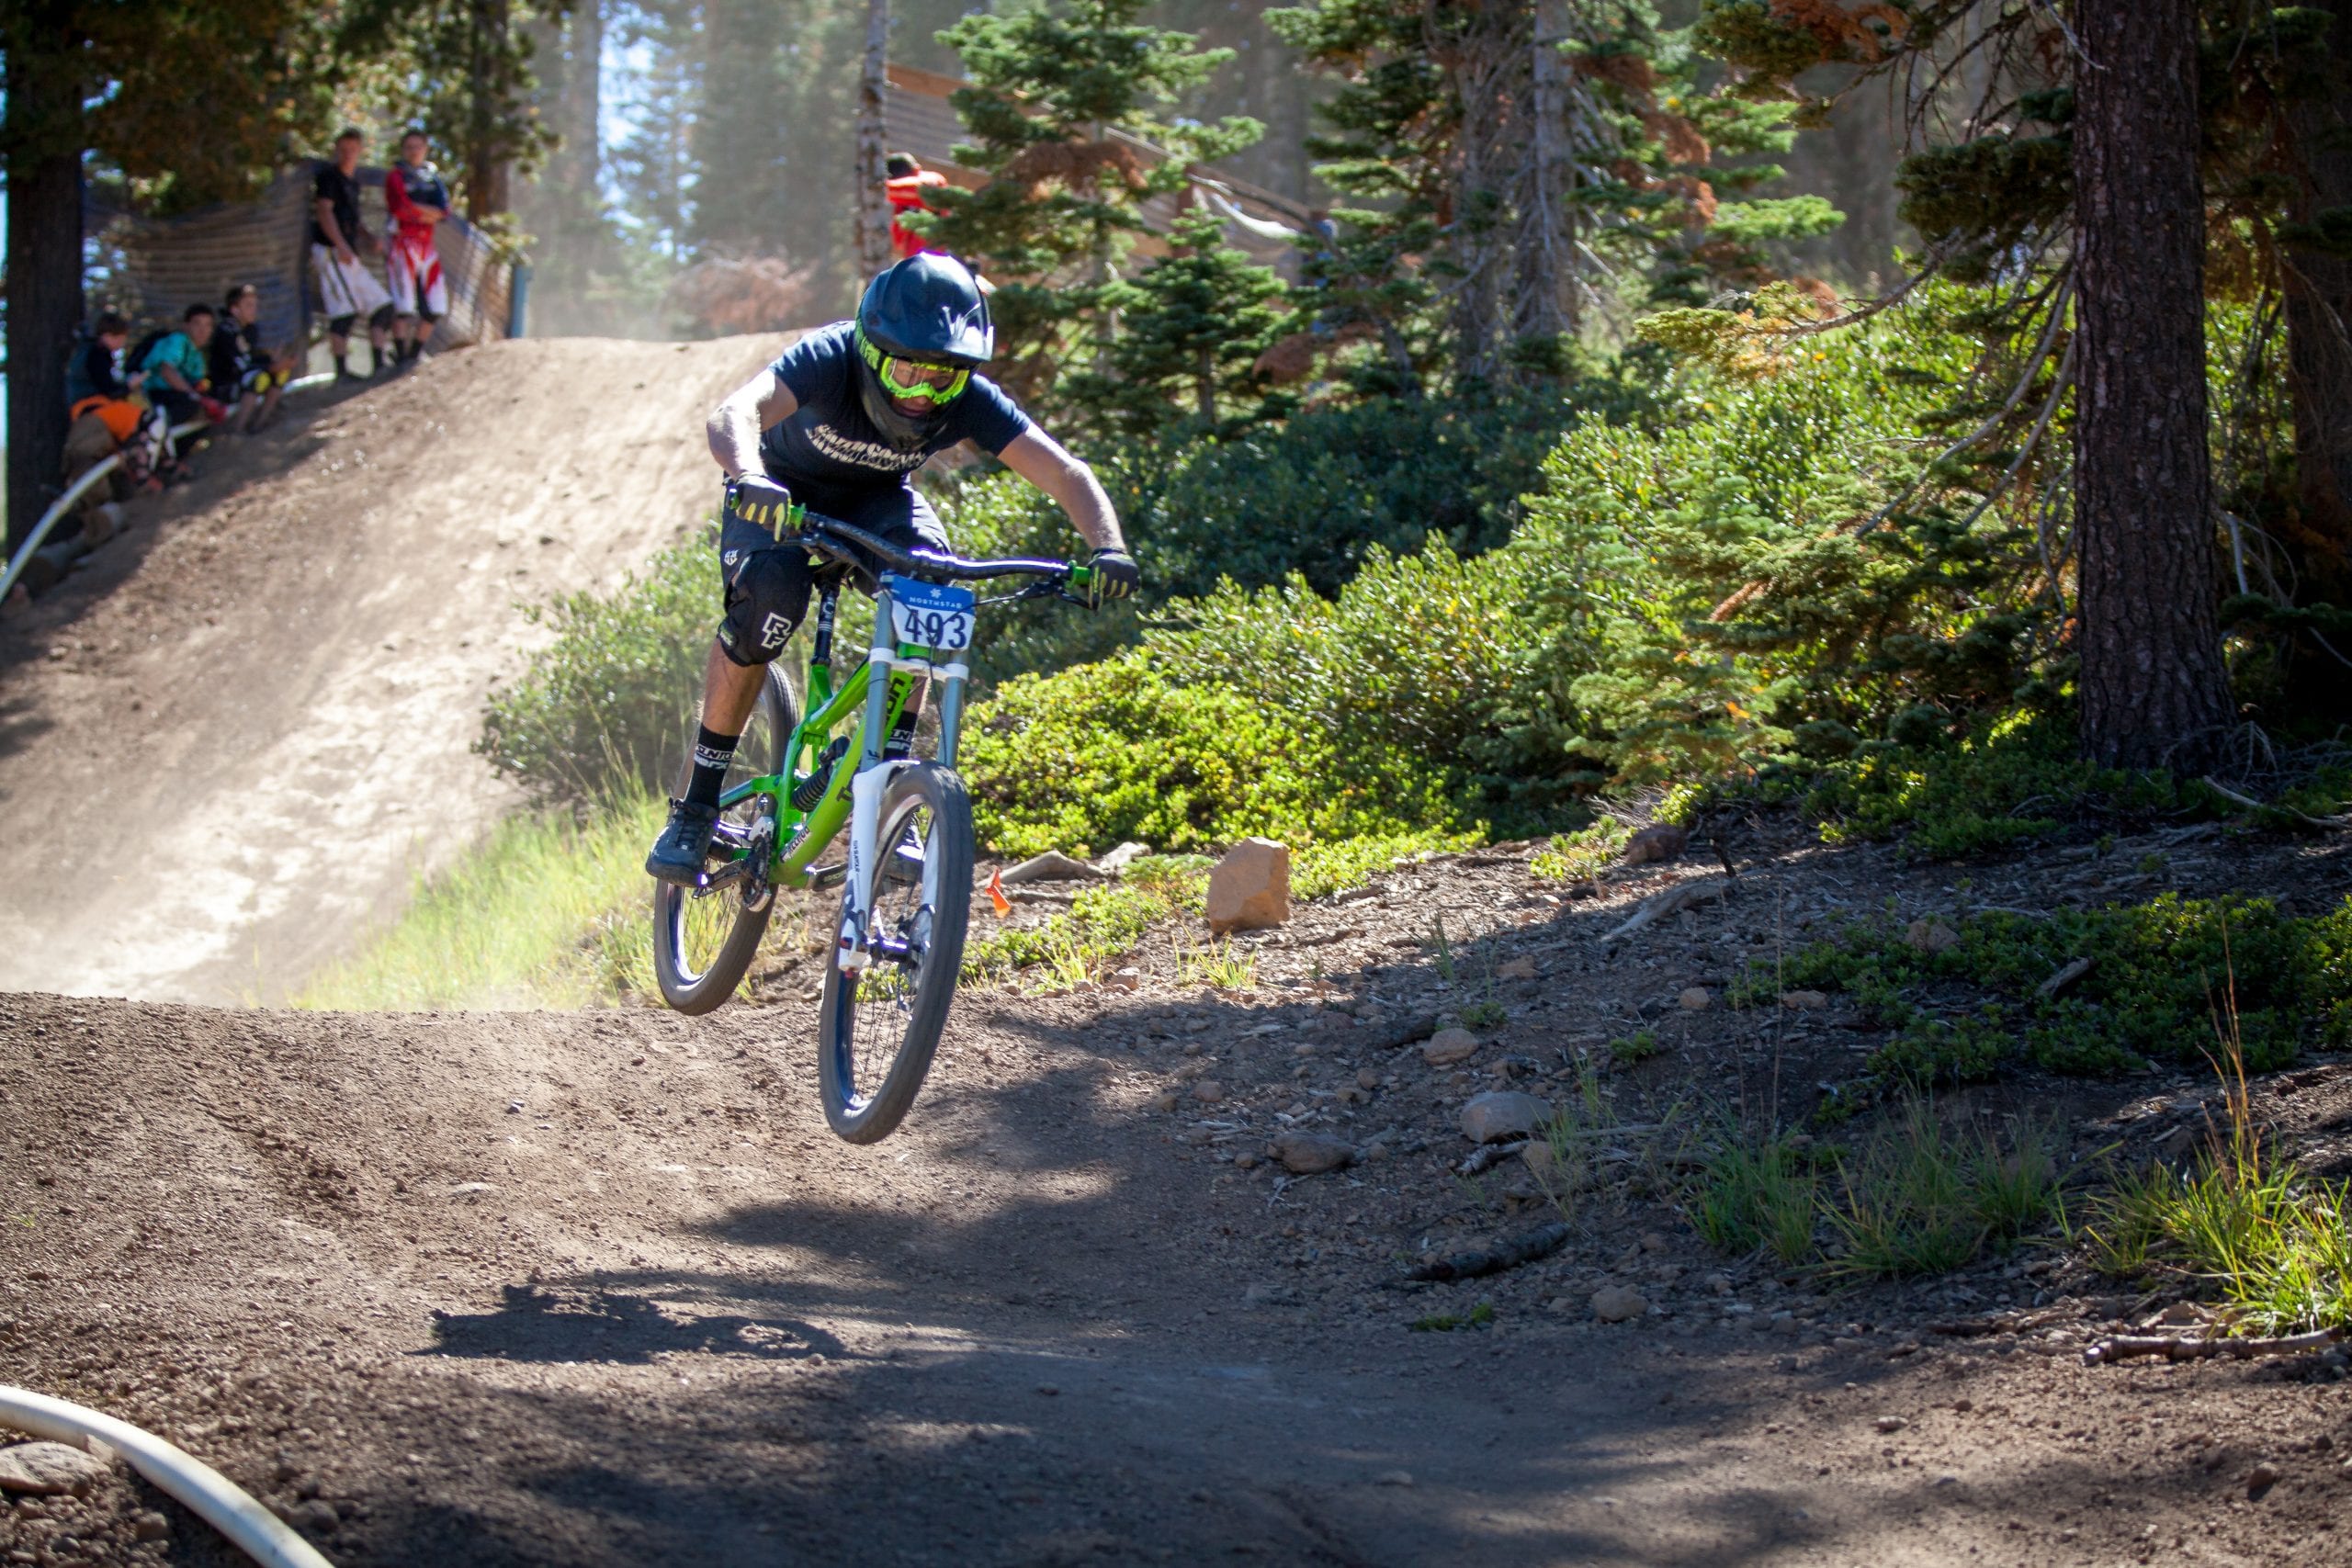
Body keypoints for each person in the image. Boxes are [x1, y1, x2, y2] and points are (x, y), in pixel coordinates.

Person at [645, 252, 1140, 882]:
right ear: (874, 351)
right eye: (907, 370)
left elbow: (1065, 472)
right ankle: (697, 806)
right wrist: (749, 477)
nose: (923, 392)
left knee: (931, 588)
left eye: (944, 377)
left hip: (877, 502)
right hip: (781, 493)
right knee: (770, 598)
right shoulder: (829, 358)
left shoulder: (966, 400)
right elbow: (733, 414)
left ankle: (885, 791)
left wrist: (1108, 546)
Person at [312, 127, 395, 380]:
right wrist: (340, 245)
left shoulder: (352, 184)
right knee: (344, 311)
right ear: (337, 150)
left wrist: (370, 238)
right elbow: (324, 212)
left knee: (383, 305)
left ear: (360, 150)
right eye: (343, 149)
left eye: (353, 149)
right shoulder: (329, 178)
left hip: (349, 253)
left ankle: (379, 365)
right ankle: (341, 372)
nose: (348, 154)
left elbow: (352, 220)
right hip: (331, 252)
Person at [383, 129, 451, 368]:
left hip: (427, 246)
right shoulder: (397, 176)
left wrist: (420, 211)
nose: (413, 151)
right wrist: (425, 213)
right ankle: (400, 355)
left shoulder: (433, 178)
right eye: (409, 147)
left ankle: (414, 354)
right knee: (404, 304)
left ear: (425, 148)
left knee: (435, 306)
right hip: (403, 244)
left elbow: (444, 212)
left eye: (418, 146)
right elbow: (401, 208)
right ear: (403, 150)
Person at [210, 284, 300, 434]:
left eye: (255, 306)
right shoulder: (226, 331)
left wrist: (274, 362)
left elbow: (253, 357)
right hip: (224, 385)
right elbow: (241, 365)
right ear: (235, 309)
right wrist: (270, 367)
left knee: (280, 374)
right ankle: (237, 430)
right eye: (249, 306)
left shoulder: (250, 330)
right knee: (259, 378)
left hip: (242, 379)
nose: (254, 310)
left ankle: (259, 424)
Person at [137, 304, 227, 430]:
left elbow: (198, 385)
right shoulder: (178, 341)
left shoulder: (198, 355)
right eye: (197, 324)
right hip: (151, 396)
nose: (203, 330)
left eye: (208, 325)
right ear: (186, 326)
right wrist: (195, 396)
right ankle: (151, 429)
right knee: (191, 405)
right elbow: (167, 371)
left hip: (174, 397)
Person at [885, 152, 951, 262]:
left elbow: (918, 188)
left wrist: (879, 186)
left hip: (939, 257)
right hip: (915, 260)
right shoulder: (902, 200)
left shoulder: (932, 179)